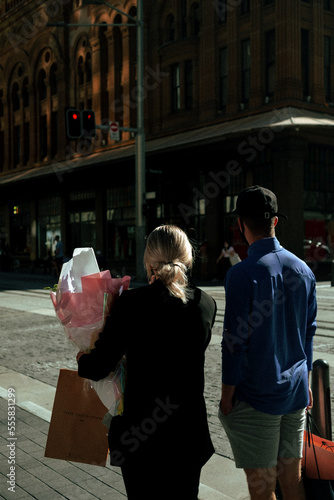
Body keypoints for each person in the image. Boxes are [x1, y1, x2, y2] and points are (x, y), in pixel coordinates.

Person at [77, 225, 217, 500]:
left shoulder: (131, 303)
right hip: (187, 435)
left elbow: (99, 366)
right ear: (187, 257)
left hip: (142, 438)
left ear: (148, 261)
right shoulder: (206, 304)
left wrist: (83, 357)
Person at [218, 186, 317, 500]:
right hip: (296, 392)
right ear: (275, 222)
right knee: (292, 479)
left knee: (260, 486)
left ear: (240, 225)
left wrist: (226, 396)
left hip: (258, 395)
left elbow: (234, 342)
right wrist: (307, 382)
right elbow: (308, 333)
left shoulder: (242, 275)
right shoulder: (304, 270)